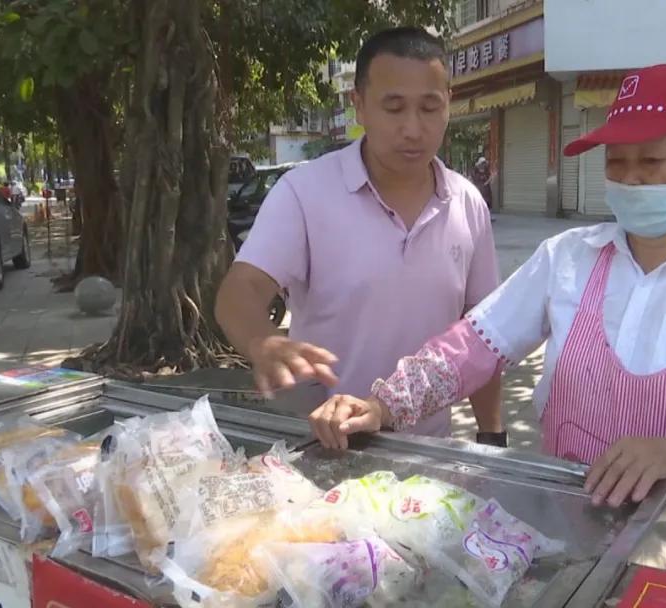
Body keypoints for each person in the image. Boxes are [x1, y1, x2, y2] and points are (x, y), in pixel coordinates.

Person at [308, 64, 666, 585]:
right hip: (574, 552)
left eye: (652, 161)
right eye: (617, 163)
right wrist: (384, 404)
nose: (632, 178)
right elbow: (474, 346)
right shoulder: (569, 258)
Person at [216, 27, 504, 441]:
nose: (413, 128)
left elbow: (481, 335)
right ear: (359, 106)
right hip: (322, 446)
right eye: (393, 107)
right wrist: (263, 343)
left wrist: (492, 438)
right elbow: (239, 290)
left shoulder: (467, 203)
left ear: (448, 106)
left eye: (429, 108)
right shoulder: (304, 193)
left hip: (429, 453)